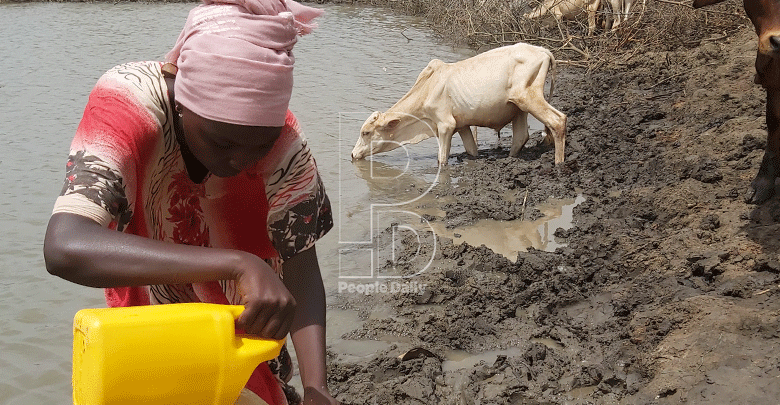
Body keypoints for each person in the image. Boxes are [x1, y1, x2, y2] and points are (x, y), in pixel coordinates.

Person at [43, 0, 337, 404]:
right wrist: (239, 263)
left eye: (258, 145)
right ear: (182, 101)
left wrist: (317, 388)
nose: (240, 161)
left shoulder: (283, 144)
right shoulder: (129, 103)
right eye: (222, 142)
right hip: (154, 330)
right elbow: (65, 246)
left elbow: (302, 267)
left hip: (241, 330)